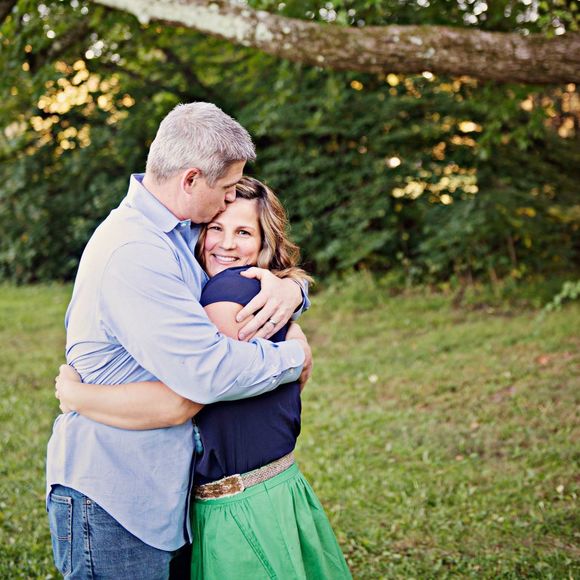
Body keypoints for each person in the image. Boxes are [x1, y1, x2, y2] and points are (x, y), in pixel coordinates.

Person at [46, 103, 313, 579]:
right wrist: (293, 356)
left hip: (160, 495)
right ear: (191, 179)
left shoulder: (176, 234)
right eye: (227, 186)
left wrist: (293, 289)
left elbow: (243, 269)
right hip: (115, 497)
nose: (229, 198)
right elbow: (203, 378)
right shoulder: (136, 251)